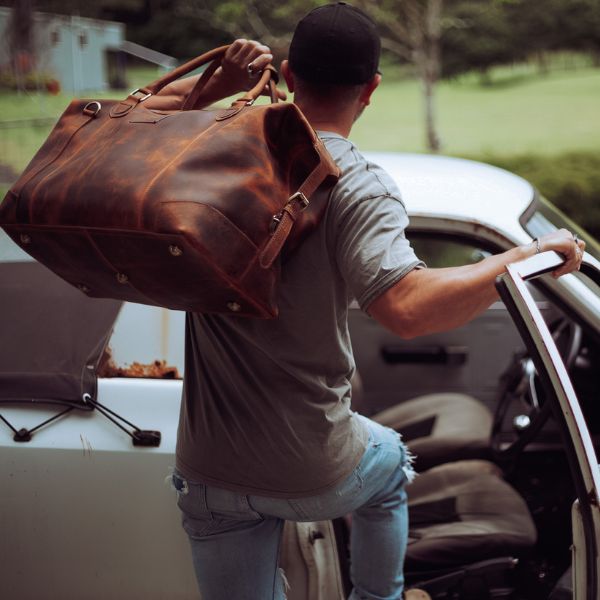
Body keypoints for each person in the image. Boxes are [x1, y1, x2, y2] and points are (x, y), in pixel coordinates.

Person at [152, 4, 586, 600]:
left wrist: (215, 85)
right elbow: (406, 307)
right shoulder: (355, 181)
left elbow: (116, 130)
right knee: (388, 466)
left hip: (209, 468)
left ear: (288, 73)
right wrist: (522, 258)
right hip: (310, 467)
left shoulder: (209, 157)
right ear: (372, 89)